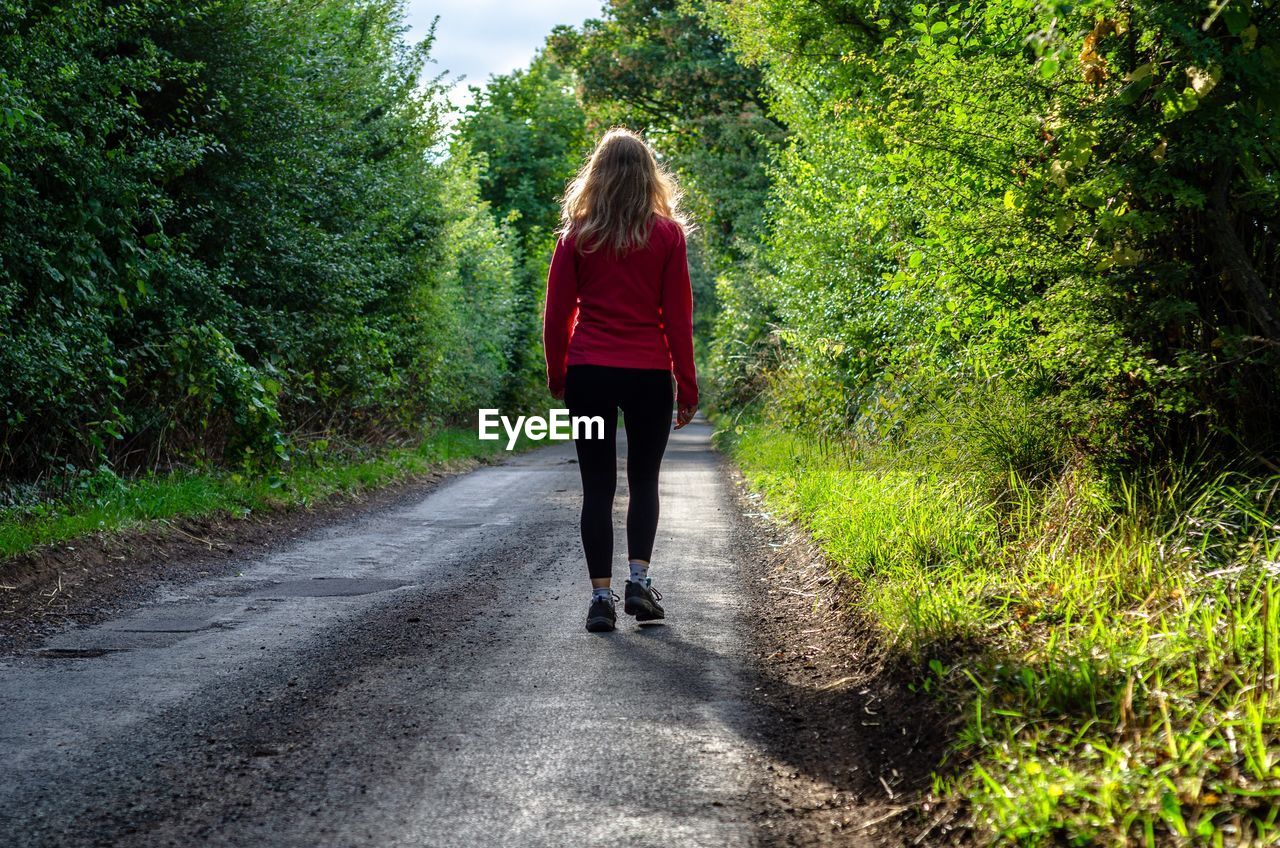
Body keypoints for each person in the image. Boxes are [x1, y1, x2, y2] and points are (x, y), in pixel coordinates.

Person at [543, 128, 699, 633]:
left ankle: (599, 599)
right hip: (650, 374)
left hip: (590, 371)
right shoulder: (667, 235)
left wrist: (558, 373)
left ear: (598, 174)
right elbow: (678, 317)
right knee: (644, 481)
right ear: (649, 175)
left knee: (597, 486)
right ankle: (638, 582)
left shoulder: (578, 235)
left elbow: (557, 314)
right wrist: (688, 384)